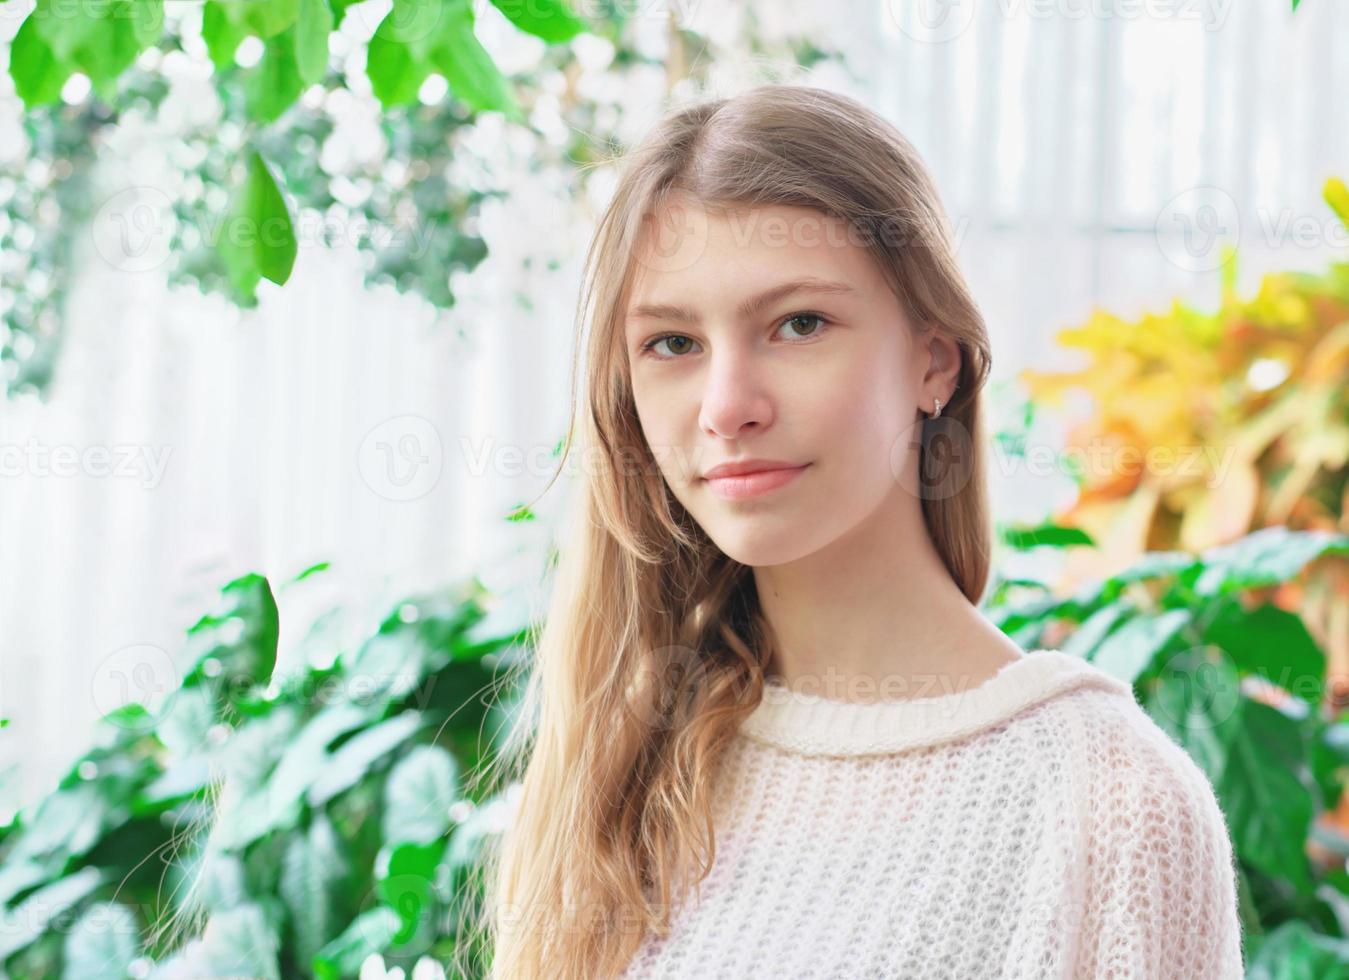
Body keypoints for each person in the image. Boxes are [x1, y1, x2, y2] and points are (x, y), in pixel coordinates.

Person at [473, 83, 1244, 979]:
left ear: (933, 364)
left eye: (798, 325)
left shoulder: (1109, 807)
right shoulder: (624, 763)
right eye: (673, 344)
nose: (726, 408)